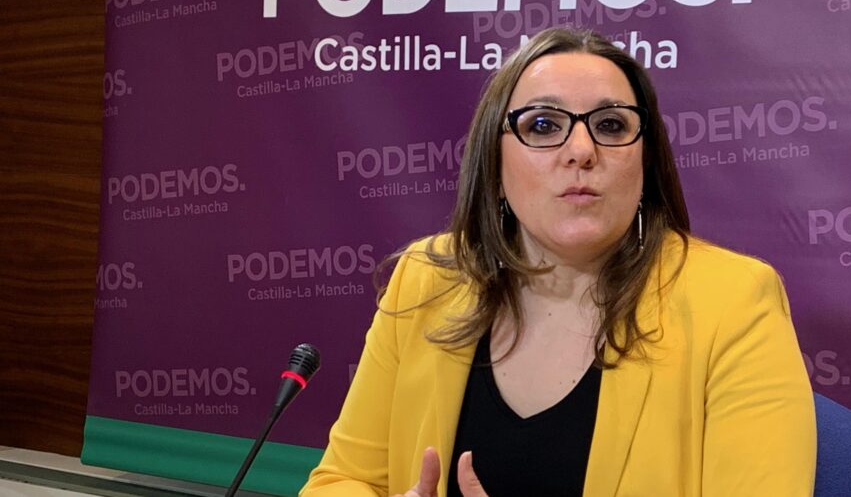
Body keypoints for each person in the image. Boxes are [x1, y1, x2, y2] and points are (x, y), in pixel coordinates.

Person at [301, 27, 816, 497]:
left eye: (611, 125)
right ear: (494, 163)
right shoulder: (426, 279)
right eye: (543, 125)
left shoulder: (732, 303)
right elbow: (342, 480)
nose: (581, 150)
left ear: (646, 163)